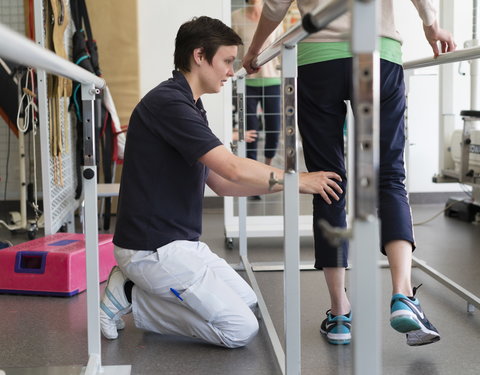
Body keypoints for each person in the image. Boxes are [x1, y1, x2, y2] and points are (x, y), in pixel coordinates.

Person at [99, 15, 343, 349]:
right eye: (227, 61)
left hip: (180, 244)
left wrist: (286, 185)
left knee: (248, 303)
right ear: (199, 56)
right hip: (151, 250)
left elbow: (223, 184)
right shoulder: (169, 103)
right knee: (239, 330)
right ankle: (130, 296)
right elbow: (231, 168)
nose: (231, 70)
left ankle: (134, 289)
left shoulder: (191, 105)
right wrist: (296, 179)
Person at [243, 0, 456, 346]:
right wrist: (431, 25)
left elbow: (274, 5)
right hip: (376, 53)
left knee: (327, 180)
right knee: (388, 174)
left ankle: (340, 313)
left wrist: (255, 51)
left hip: (317, 60)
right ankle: (403, 294)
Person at [232, 0, 284, 168]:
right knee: (250, 128)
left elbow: (281, 49)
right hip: (247, 82)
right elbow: (234, 52)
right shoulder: (236, 17)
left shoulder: (276, 17)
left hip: (272, 80)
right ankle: (253, 169)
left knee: (273, 127)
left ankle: (268, 166)